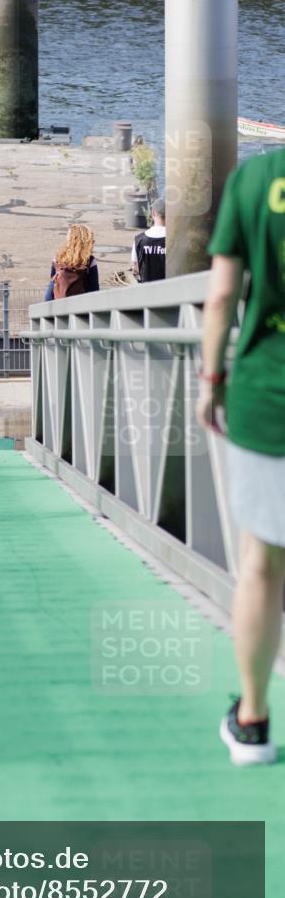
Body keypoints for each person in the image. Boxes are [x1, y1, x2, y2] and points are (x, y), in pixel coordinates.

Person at [196, 148, 285, 766]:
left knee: (261, 563)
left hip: (269, 395)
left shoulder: (257, 179)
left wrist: (210, 379)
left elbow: (223, 294)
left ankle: (252, 720)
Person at [45, 224, 99, 300]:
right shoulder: (89, 261)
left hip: (60, 306)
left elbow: (52, 285)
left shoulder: (57, 259)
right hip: (81, 307)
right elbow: (94, 289)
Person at [131, 198, 166, 282]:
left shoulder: (139, 239)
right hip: (170, 290)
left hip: (147, 291)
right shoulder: (176, 240)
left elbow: (135, 268)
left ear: (152, 212)